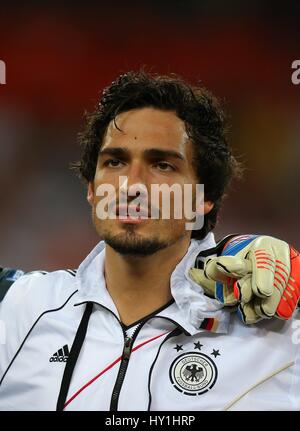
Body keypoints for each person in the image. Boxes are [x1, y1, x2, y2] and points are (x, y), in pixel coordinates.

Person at [0, 71, 299, 411]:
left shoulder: (278, 338)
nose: (132, 185)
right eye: (115, 162)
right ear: (92, 189)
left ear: (205, 197)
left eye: (162, 165)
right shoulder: (14, 308)